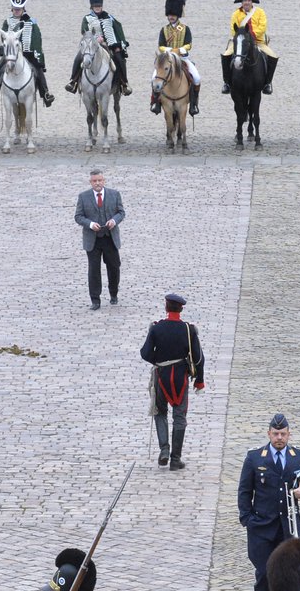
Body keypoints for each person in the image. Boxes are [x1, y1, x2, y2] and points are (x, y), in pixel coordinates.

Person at [237, 414, 300, 591]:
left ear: (289, 434)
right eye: (275, 434)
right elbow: (245, 491)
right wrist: (247, 520)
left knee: (291, 573)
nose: (279, 438)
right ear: (269, 434)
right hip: (262, 529)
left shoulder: (299, 456)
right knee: (265, 574)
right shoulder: (255, 457)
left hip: (288, 528)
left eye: (282, 434)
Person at [140, 292, 206, 470]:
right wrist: (199, 381)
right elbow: (199, 358)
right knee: (179, 416)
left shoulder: (156, 328)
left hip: (161, 376)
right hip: (180, 378)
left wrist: (159, 361)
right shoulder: (188, 329)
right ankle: (175, 459)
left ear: (166, 307)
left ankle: (164, 450)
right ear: (181, 309)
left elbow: (145, 353)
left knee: (160, 412)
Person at [0, 0, 56, 109]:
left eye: (19, 9)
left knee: (38, 71)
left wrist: (37, 54)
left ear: (23, 9)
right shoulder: (7, 22)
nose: (16, 11)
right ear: (12, 9)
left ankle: (45, 94)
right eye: (15, 9)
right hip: (11, 53)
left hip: (28, 53)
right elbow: (3, 37)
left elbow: (36, 38)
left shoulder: (31, 22)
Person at [68, 0, 131, 97]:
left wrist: (118, 44)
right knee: (79, 57)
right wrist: (95, 39)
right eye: (95, 6)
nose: (97, 8)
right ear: (92, 7)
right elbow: (84, 31)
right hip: (91, 44)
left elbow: (118, 30)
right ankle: (73, 81)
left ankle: (124, 83)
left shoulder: (109, 18)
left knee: (120, 59)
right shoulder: (87, 18)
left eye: (99, 6)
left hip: (108, 45)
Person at [76, 169, 124, 310]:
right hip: (93, 240)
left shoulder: (114, 194)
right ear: (90, 182)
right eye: (94, 181)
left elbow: (121, 212)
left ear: (104, 181)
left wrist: (114, 221)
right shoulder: (83, 197)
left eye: (100, 180)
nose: (97, 183)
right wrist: (90, 224)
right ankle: (95, 300)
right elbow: (78, 216)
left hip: (110, 238)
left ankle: (113, 293)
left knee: (114, 267)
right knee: (94, 270)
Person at [222, 0, 279, 96]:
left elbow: (262, 27)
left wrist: (251, 37)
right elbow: (234, 30)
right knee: (226, 55)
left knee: (273, 56)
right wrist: (243, 38)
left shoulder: (260, 12)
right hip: (240, 42)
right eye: (245, 1)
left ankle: (267, 83)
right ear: (242, 2)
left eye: (248, 1)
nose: (247, 3)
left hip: (258, 42)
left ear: (252, 2)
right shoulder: (236, 14)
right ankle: (226, 83)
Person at [154, 0, 201, 116]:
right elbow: (161, 46)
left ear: (178, 15)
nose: (171, 17)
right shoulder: (164, 30)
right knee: (154, 78)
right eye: (170, 14)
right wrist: (170, 50)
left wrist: (180, 50)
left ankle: (193, 104)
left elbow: (189, 44)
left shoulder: (185, 29)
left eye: (173, 14)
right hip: (167, 59)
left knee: (196, 78)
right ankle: (156, 103)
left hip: (182, 58)